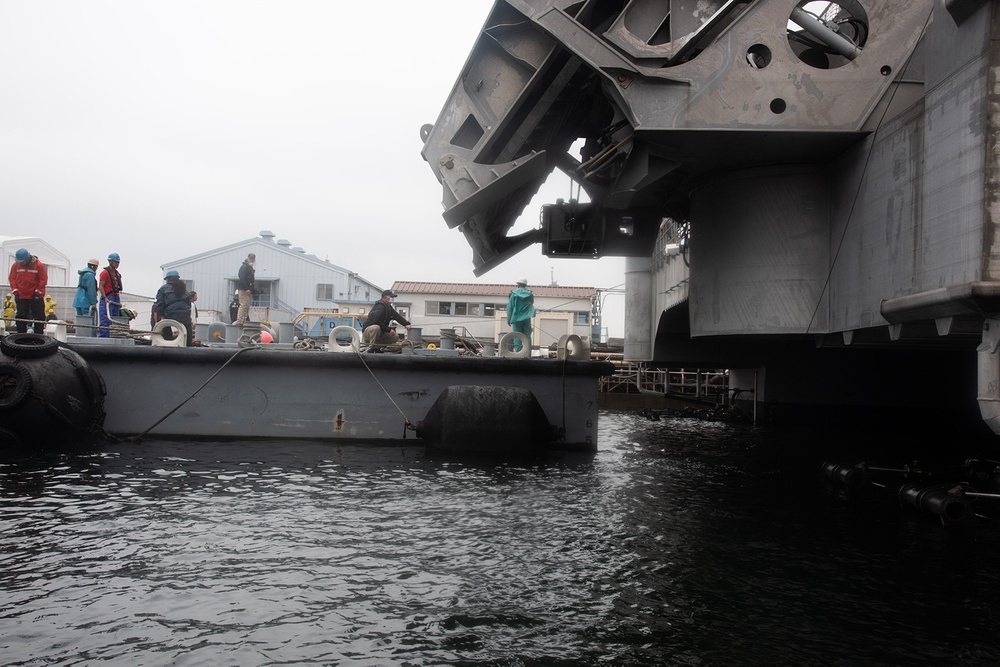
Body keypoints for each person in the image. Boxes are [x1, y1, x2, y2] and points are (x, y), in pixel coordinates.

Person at [8, 248, 48, 334]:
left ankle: (39, 335)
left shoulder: (39, 266)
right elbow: (12, 278)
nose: (21, 263)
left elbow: (43, 280)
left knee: (39, 316)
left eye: (22, 261)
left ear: (27, 258)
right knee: (21, 316)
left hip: (36, 296)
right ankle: (20, 335)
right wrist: (15, 291)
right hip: (21, 295)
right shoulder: (16, 265)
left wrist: (37, 292)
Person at [154, 270, 193, 346]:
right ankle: (188, 344)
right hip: (184, 314)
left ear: (167, 279)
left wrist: (162, 316)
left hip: (170, 313)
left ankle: (167, 341)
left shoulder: (163, 289)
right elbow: (189, 304)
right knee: (187, 326)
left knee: (164, 324)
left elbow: (160, 304)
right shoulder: (184, 290)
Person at [97, 252, 123, 338]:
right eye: (116, 262)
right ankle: (103, 337)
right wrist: (104, 297)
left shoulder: (117, 273)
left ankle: (113, 336)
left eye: (118, 262)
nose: (117, 264)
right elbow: (101, 286)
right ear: (111, 262)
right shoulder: (105, 273)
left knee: (115, 319)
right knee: (105, 319)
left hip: (115, 298)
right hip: (108, 297)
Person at [506, 277, 535, 353]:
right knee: (527, 336)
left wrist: (508, 319)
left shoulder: (514, 294)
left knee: (517, 336)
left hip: (516, 318)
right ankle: (528, 353)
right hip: (527, 318)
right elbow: (531, 304)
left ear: (518, 284)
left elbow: (510, 307)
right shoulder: (530, 294)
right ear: (525, 285)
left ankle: (518, 353)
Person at [73, 258, 99, 329]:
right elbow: (91, 290)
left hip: (78, 300)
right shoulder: (90, 275)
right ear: (93, 266)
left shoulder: (83, 273)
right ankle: (90, 338)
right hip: (86, 301)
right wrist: (93, 302)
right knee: (89, 324)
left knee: (80, 323)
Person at [233, 253, 256, 326]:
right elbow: (242, 278)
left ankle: (244, 320)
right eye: (251, 258)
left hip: (247, 289)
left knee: (246, 305)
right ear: (248, 258)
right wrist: (246, 288)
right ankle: (240, 320)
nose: (252, 260)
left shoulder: (249, 268)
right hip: (244, 289)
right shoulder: (244, 267)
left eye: (253, 259)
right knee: (243, 304)